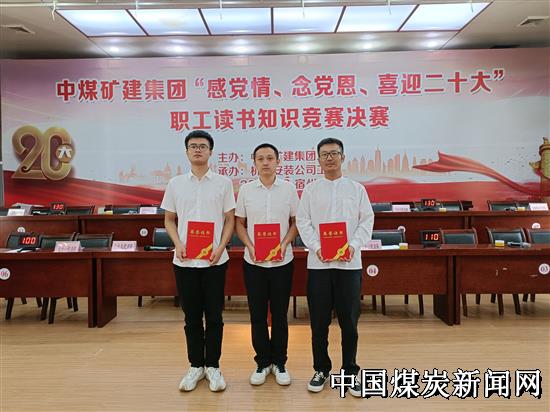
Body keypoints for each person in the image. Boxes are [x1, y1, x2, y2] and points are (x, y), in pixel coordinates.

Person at [296, 137, 374, 396]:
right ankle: (321, 369)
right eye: (324, 154)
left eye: (334, 153)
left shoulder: (356, 189)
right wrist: (317, 247)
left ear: (343, 157)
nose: (329, 158)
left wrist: (353, 245)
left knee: (349, 323)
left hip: (349, 265)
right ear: (318, 159)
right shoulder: (310, 190)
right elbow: (303, 221)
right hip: (319, 265)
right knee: (318, 323)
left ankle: (350, 371)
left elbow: (366, 221)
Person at [161, 130, 235, 392]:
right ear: (186, 152)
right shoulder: (175, 183)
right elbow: (169, 220)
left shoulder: (223, 183)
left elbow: (230, 220)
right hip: (184, 261)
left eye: (203, 146)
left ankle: (213, 366)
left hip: (215, 261)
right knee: (191, 316)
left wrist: (221, 247)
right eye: (193, 146)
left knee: (214, 316)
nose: (198, 150)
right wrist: (178, 244)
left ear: (210, 152)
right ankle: (195, 366)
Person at [235, 143, 299, 386]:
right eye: (260, 158)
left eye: (270, 158)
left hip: (283, 261)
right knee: (258, 315)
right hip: (254, 263)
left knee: (280, 315)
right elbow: (239, 223)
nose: (265, 162)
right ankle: (262, 362)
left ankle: (280, 362)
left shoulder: (289, 189)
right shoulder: (246, 190)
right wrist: (250, 246)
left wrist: (284, 243)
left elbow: (296, 221)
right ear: (254, 162)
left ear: (278, 162)